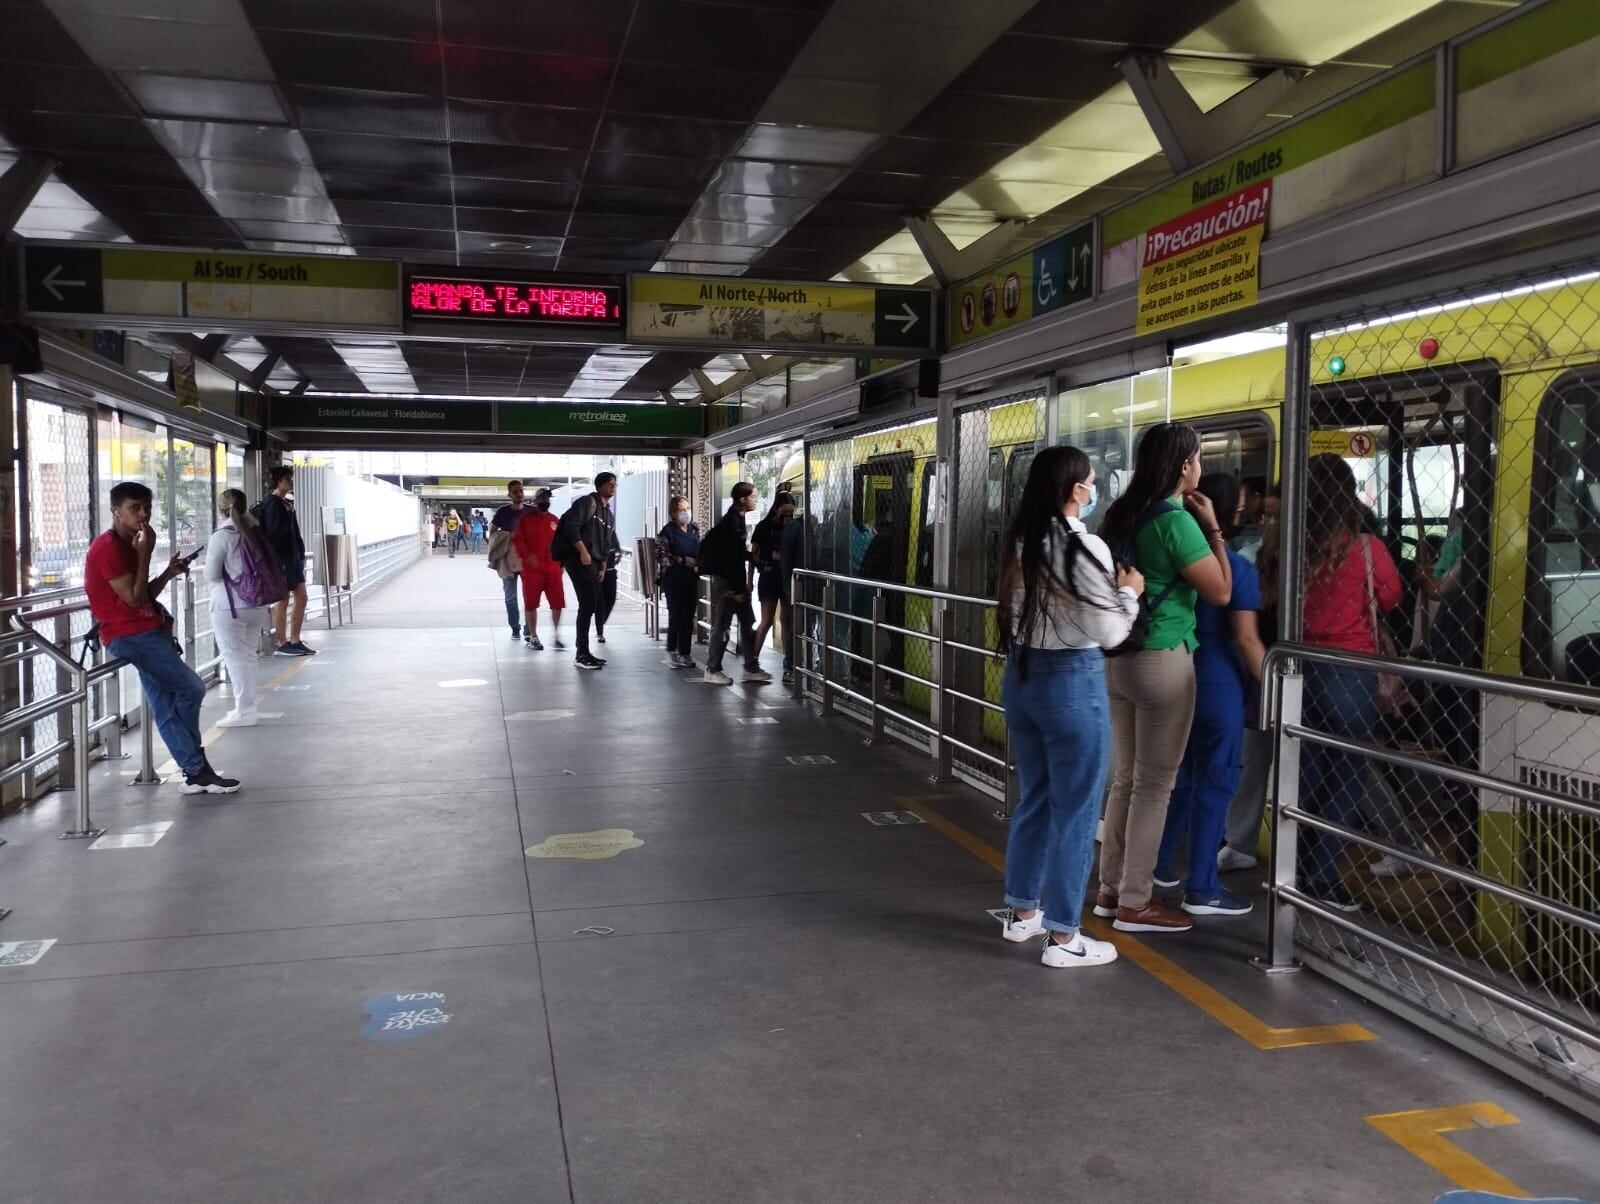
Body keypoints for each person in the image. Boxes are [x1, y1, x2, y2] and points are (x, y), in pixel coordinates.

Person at [995, 447, 1141, 968]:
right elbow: (1109, 633)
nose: (1096, 486)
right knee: (1077, 811)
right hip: (1072, 684)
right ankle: (1063, 938)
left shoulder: (1020, 543)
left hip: (1023, 678)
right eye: (1092, 480)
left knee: (1035, 797)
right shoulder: (1085, 548)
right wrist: (1129, 594)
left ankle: (1022, 913)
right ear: (1075, 490)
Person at [1095, 422, 1231, 934]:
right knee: (1155, 785)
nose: (1200, 466)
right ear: (1184, 466)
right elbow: (1219, 591)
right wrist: (1214, 528)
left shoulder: (1120, 515)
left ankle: (1110, 891)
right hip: (1162, 659)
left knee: (1126, 779)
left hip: (1118, 657)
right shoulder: (1178, 522)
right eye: (1197, 457)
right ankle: (1136, 901)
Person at [1292, 454, 1403, 910]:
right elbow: (1392, 597)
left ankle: (1294, 868)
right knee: (1349, 773)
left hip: (1299, 667)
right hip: (1348, 669)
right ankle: (1322, 876)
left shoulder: (1293, 544)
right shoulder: (1364, 547)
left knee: (1311, 771)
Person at [1153, 473, 1266, 917]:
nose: (1245, 510)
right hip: (1219, 683)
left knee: (1179, 777)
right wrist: (1276, 692)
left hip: (1175, 673)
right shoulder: (1236, 569)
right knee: (1216, 783)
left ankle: (1158, 866)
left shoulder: (1172, 556)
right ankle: (1202, 887)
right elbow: (1246, 639)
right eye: (1239, 504)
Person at [86, 482, 240, 794]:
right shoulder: (110, 548)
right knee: (191, 689)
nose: (143, 514)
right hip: (132, 635)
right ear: (116, 511)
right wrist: (146, 553)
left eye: (147, 507)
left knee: (166, 705)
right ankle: (195, 761)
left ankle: (196, 771)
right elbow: (132, 599)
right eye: (134, 508)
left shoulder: (129, 543)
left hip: (146, 630)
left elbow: (143, 595)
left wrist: (167, 573)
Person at [1221, 482, 1281, 872]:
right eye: (1266, 516)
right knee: (1252, 756)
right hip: (1266, 672)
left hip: (1279, 671)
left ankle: (1402, 840)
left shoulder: (1304, 562)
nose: (1268, 524)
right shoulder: (1256, 559)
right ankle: (1240, 840)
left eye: (1276, 517)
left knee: (1338, 759)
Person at [204, 488, 273, 729]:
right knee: (247, 656)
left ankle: (244, 710)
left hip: (230, 606)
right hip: (258, 603)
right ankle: (248, 706)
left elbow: (212, 574)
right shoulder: (255, 531)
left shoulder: (221, 536)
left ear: (220, 509)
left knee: (234, 658)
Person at [700, 481, 769, 686]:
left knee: (747, 622)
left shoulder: (736, 520)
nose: (756, 500)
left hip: (733, 582)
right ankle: (712, 669)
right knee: (722, 626)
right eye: (753, 497)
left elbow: (736, 554)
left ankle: (750, 666)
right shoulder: (731, 522)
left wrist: (751, 557)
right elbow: (729, 559)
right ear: (742, 499)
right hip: (728, 584)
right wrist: (737, 589)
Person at [559, 472, 618, 670]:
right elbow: (571, 527)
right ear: (599, 486)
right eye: (610, 484)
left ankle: (584, 652)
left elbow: (606, 542)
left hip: (594, 562)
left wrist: (602, 566)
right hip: (578, 560)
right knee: (587, 604)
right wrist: (583, 551)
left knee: (591, 604)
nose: (613, 487)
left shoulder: (608, 513)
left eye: (614, 484)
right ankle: (581, 653)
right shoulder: (587, 503)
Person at [258, 466, 315, 657]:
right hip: (280, 560)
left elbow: (293, 532)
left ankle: (295, 639)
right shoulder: (272, 504)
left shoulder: (285, 503)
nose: (291, 482)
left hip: (291, 558)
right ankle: (282, 643)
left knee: (301, 597)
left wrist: (300, 551)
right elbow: (274, 533)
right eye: (288, 479)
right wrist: (287, 514)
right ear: (279, 481)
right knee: (282, 600)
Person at [514, 488, 565, 651]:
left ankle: (556, 635)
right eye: (542, 498)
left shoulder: (554, 520)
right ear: (535, 500)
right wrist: (527, 556)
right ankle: (534, 637)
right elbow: (518, 540)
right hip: (531, 570)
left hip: (553, 569)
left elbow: (562, 542)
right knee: (531, 604)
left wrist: (562, 562)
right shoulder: (525, 520)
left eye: (547, 498)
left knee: (557, 603)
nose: (545, 501)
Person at [749, 492, 795, 665]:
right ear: (776, 508)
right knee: (767, 620)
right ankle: (752, 659)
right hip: (768, 576)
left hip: (786, 577)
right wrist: (749, 579)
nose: (787, 516)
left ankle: (787, 661)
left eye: (791, 512)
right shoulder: (764, 526)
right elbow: (753, 554)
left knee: (787, 620)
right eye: (784, 512)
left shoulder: (792, 527)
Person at [657, 496, 701, 669]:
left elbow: (700, 549)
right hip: (673, 579)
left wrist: (698, 562)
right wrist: (682, 560)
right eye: (682, 510)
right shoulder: (666, 532)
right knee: (676, 615)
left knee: (688, 616)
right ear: (673, 513)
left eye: (688, 508)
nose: (686, 513)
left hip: (691, 578)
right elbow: (661, 555)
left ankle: (685, 653)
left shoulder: (694, 529)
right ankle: (672, 651)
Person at [489, 480, 529, 641]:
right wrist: (508, 537)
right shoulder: (502, 512)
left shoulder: (531, 511)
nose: (519, 494)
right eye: (515, 492)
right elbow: (492, 533)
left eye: (521, 491)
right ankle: (515, 628)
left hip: (527, 560)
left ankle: (529, 628)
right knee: (510, 598)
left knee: (530, 597)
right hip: (508, 560)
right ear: (509, 494)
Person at [778, 504, 806, 686]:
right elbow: (786, 559)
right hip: (799, 586)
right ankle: (790, 666)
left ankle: (798, 665)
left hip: (810, 586)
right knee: (798, 626)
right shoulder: (796, 528)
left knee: (802, 626)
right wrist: (789, 588)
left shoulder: (810, 526)